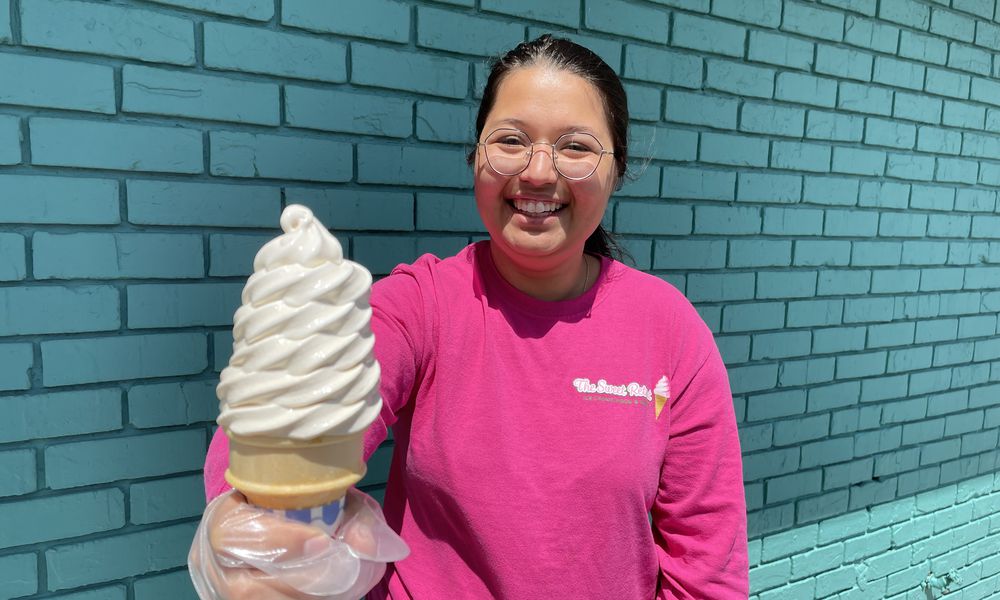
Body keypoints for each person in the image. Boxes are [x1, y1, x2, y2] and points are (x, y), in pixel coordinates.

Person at [192, 34, 749, 599]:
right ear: (475, 156)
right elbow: (287, 407)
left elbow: (706, 565)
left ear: (617, 168)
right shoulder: (422, 304)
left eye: (576, 147)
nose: (537, 172)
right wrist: (252, 535)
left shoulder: (669, 330)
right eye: (510, 140)